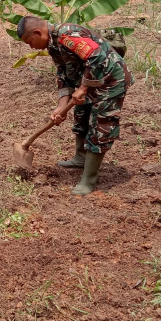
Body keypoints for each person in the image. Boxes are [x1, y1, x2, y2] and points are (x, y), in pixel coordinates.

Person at [16, 16, 133, 195]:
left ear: (38, 32)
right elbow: (63, 73)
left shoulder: (67, 35)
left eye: (29, 41)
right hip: (90, 81)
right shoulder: (53, 45)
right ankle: (80, 158)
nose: (31, 47)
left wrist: (83, 87)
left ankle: (89, 180)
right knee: (81, 116)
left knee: (100, 126)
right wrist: (61, 106)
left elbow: (96, 56)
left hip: (110, 80)